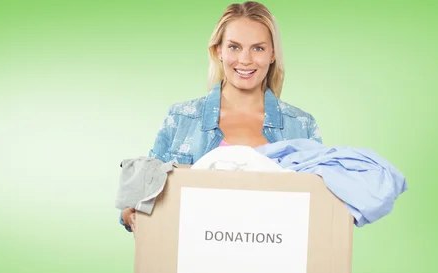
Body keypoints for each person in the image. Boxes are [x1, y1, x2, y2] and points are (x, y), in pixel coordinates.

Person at [120, 1, 322, 233]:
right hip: (195, 261)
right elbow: (139, 198)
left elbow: (318, 207)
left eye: (258, 48)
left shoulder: (301, 125)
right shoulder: (182, 119)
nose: (245, 60)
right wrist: (131, 212)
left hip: (271, 262)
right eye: (234, 47)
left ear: (273, 53)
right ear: (218, 50)